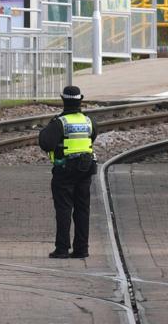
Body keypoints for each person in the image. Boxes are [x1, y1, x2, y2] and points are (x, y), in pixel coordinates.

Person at [39, 85, 97, 259]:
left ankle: (62, 248)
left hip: (65, 170)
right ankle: (82, 249)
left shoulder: (60, 123)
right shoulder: (88, 121)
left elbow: (45, 143)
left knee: (64, 209)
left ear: (63, 100)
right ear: (81, 100)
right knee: (82, 209)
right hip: (85, 169)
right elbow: (92, 137)